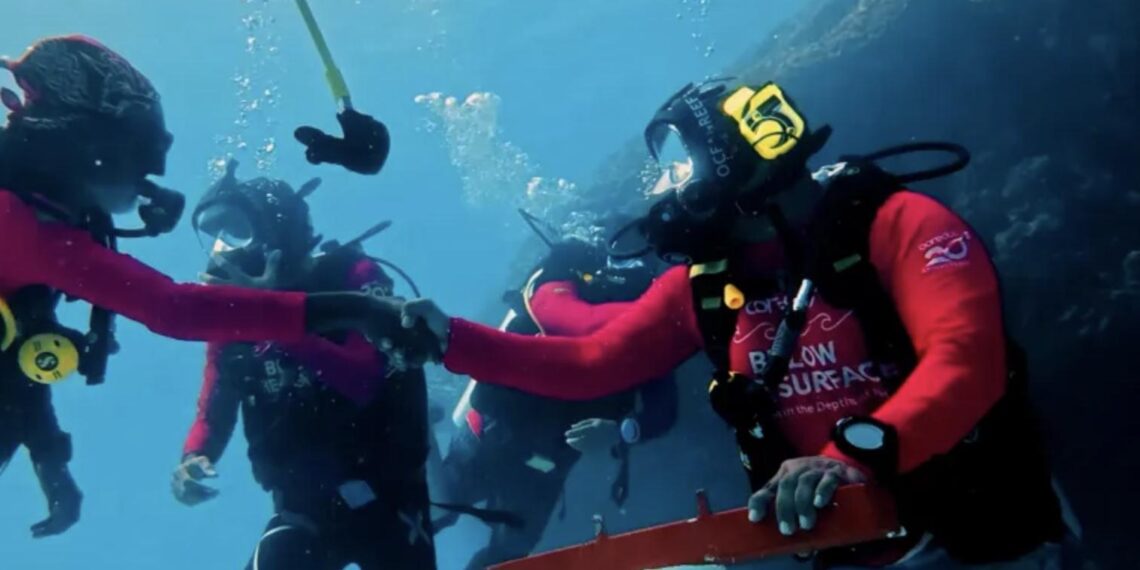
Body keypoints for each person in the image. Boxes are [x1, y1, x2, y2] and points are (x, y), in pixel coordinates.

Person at [393, 80, 1078, 568]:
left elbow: (968, 362)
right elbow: (593, 364)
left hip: (988, 540)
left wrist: (847, 462)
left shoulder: (901, 225)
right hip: (846, 550)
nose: (664, 190)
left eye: (678, 164)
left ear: (729, 160)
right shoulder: (704, 284)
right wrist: (449, 340)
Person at [0, 35, 431, 536]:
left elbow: (19, 345)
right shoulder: (27, 228)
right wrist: (358, 310)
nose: (148, 176)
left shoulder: (31, 220)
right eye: (134, 156)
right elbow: (175, 310)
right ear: (83, 144)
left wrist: (52, 464)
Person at [170, 165, 436, 569]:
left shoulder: (351, 277)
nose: (224, 250)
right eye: (214, 236)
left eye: (237, 230)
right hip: (303, 506)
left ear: (277, 230)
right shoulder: (232, 321)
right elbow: (214, 406)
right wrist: (193, 457)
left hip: (392, 495)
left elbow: (365, 379)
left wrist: (273, 320)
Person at [436, 222, 679, 569]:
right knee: (428, 518)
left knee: (503, 556)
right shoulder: (560, 282)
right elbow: (554, 316)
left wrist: (620, 431)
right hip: (490, 441)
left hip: (540, 467)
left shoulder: (648, 334)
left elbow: (663, 411)